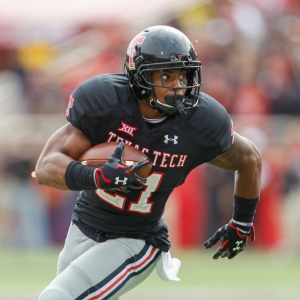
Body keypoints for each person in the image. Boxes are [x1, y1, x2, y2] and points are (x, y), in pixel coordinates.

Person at [35, 25, 262, 300]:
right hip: (82, 227)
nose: (179, 84)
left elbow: (249, 158)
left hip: (136, 240)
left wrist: (242, 223)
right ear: (139, 76)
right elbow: (45, 167)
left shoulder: (201, 122)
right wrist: (97, 177)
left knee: (59, 296)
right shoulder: (104, 104)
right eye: (167, 75)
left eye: (183, 74)